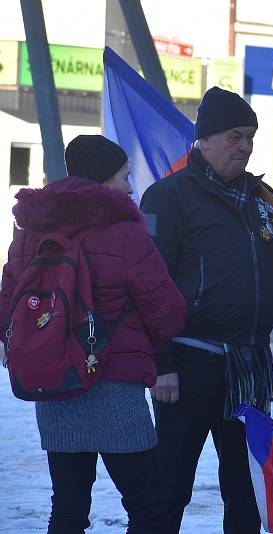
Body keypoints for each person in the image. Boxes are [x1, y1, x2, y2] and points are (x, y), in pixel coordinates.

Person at [139, 87, 273, 534]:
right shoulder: (168, 196)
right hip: (190, 363)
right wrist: (161, 364)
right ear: (206, 139)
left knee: (247, 487)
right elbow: (150, 286)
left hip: (250, 363)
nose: (245, 146)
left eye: (250, 137)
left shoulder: (262, 197)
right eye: (235, 136)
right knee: (170, 483)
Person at [0, 135, 187, 533]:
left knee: (67, 508)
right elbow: (167, 312)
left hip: (55, 382)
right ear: (103, 181)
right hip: (115, 382)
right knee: (147, 508)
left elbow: (8, 304)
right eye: (123, 176)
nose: (130, 187)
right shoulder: (126, 233)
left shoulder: (30, 233)